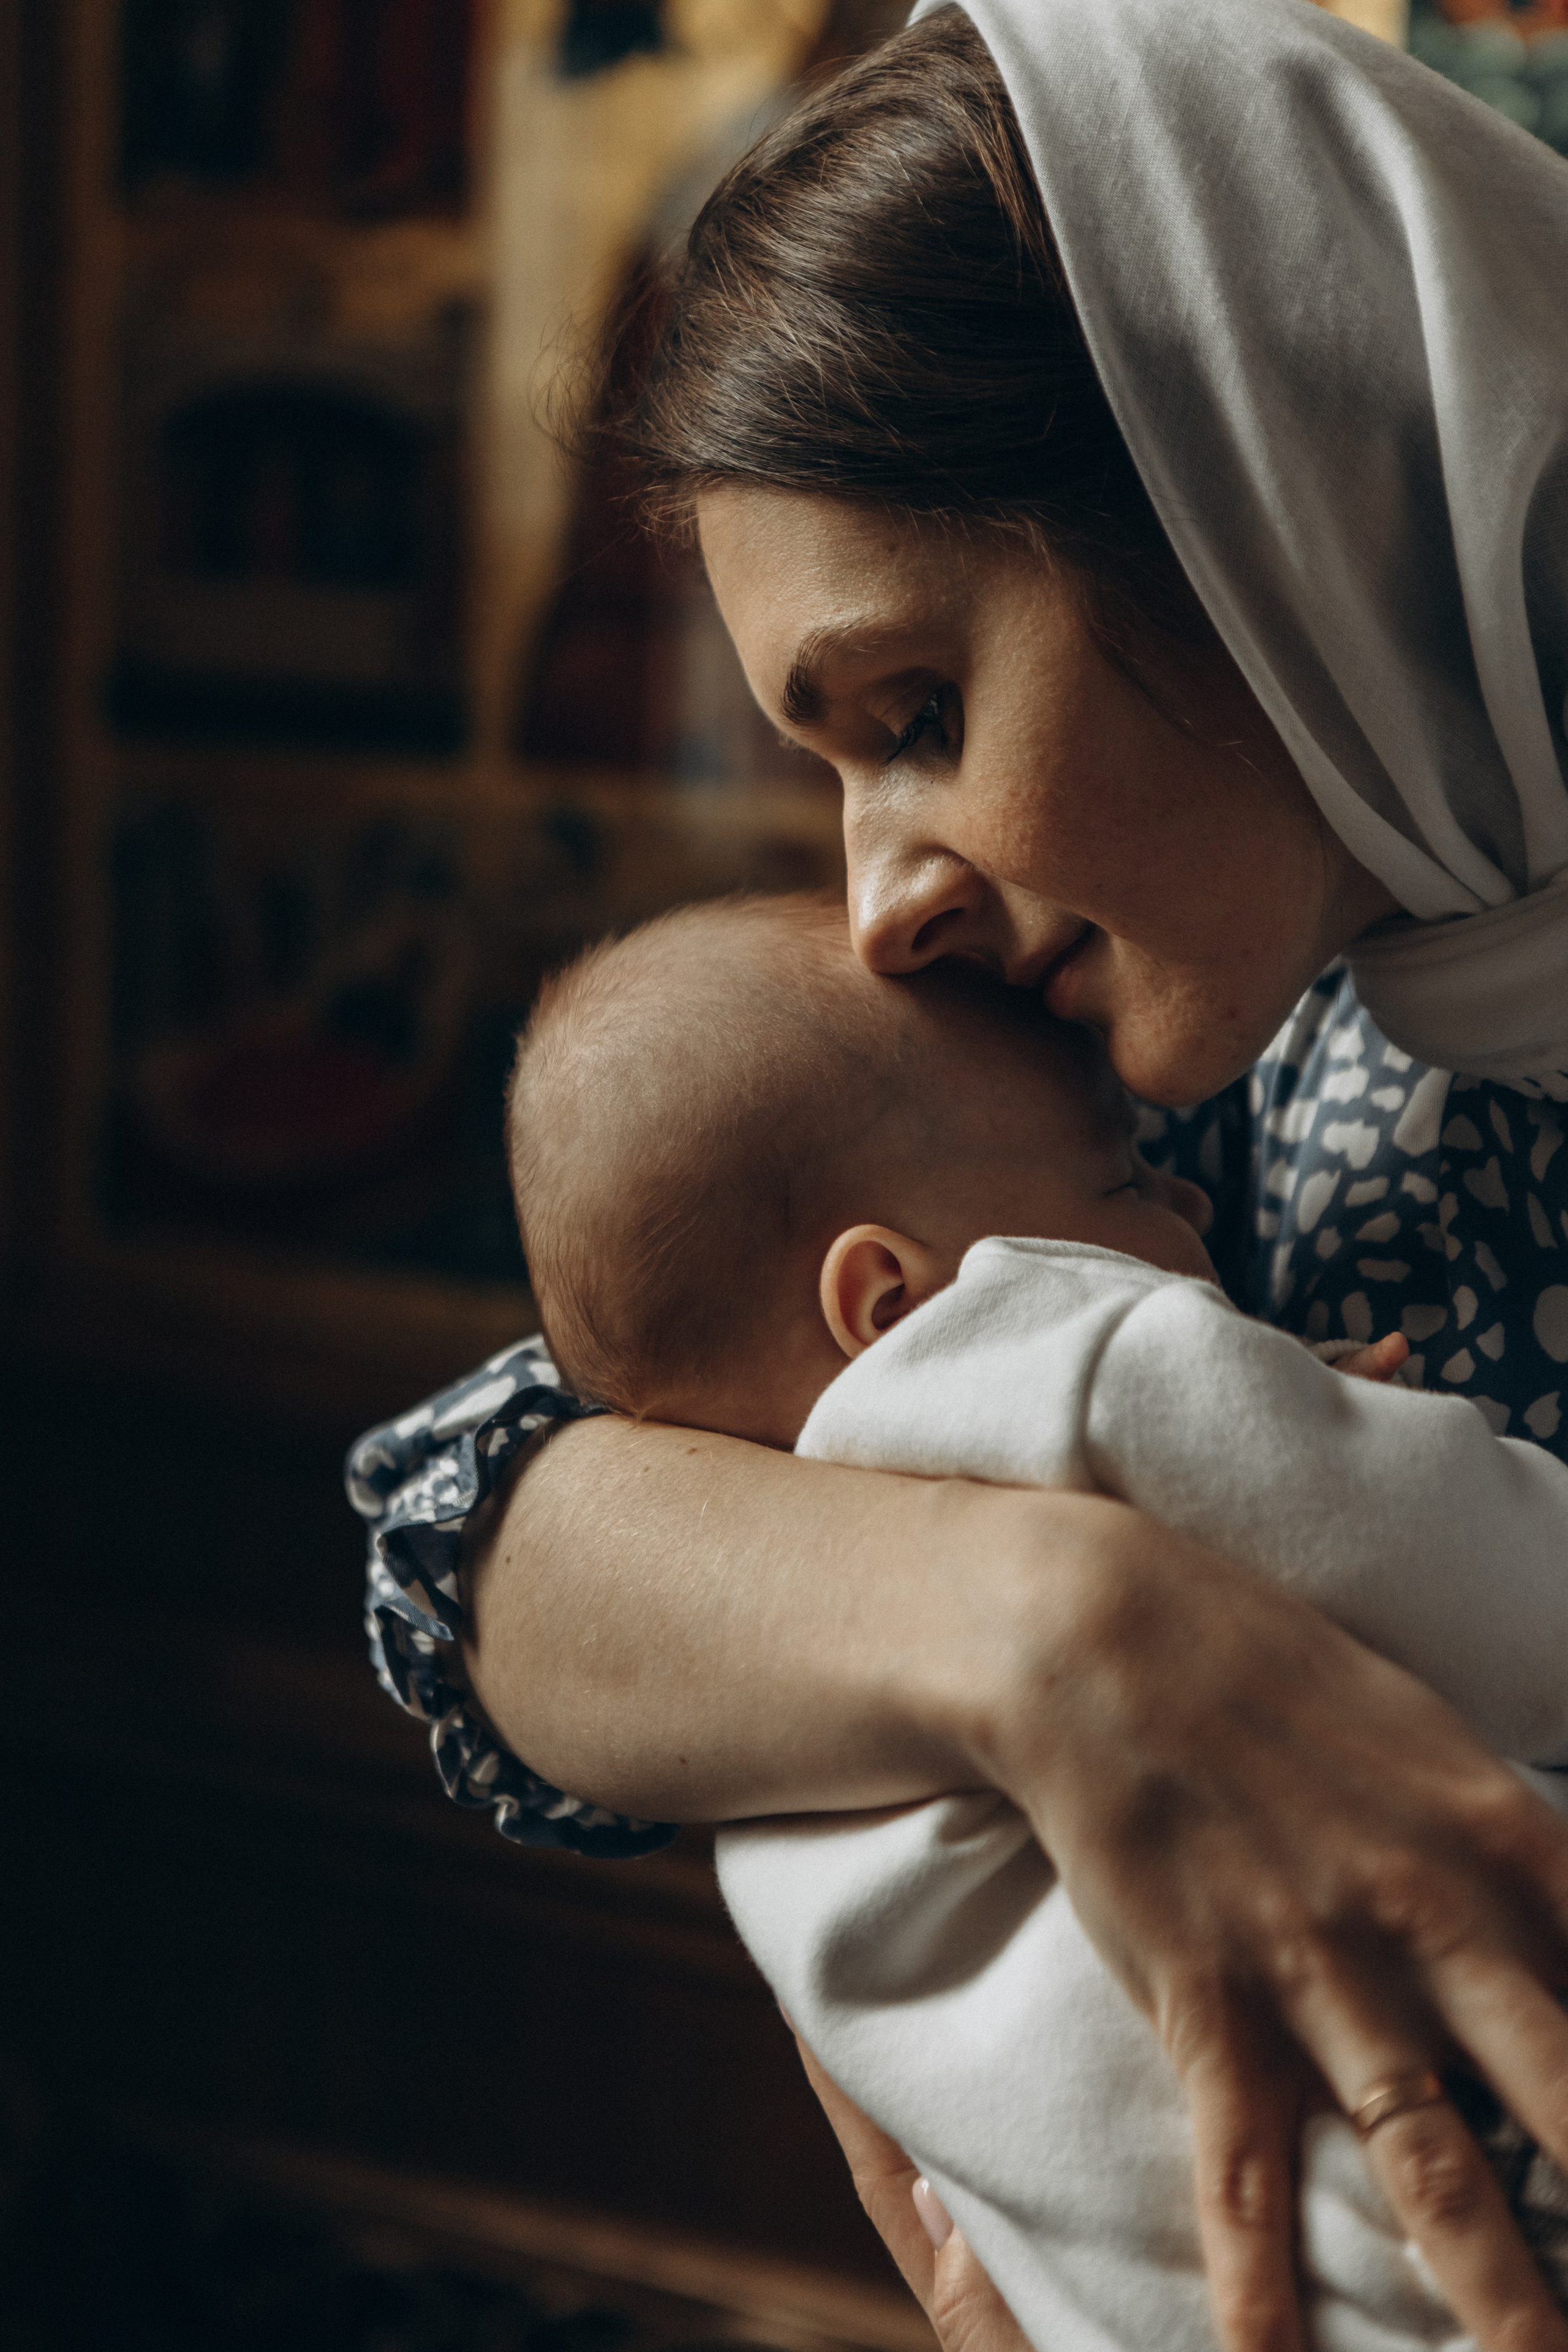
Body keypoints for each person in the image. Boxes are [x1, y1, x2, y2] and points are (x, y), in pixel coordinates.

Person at [345, 6, 1568, 2347]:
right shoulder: (1281, 1012)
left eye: (916, 718)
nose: (881, 895)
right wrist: (1060, 1642)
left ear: (1269, 509)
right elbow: (494, 1514)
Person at [507, 884, 1568, 2347]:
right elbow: (1482, 1581)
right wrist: (1304, 1429)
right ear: (883, 1298)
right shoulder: (1061, 1343)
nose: (1186, 1208)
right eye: (1127, 1181)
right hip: (1447, 2142)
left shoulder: (771, 1658)